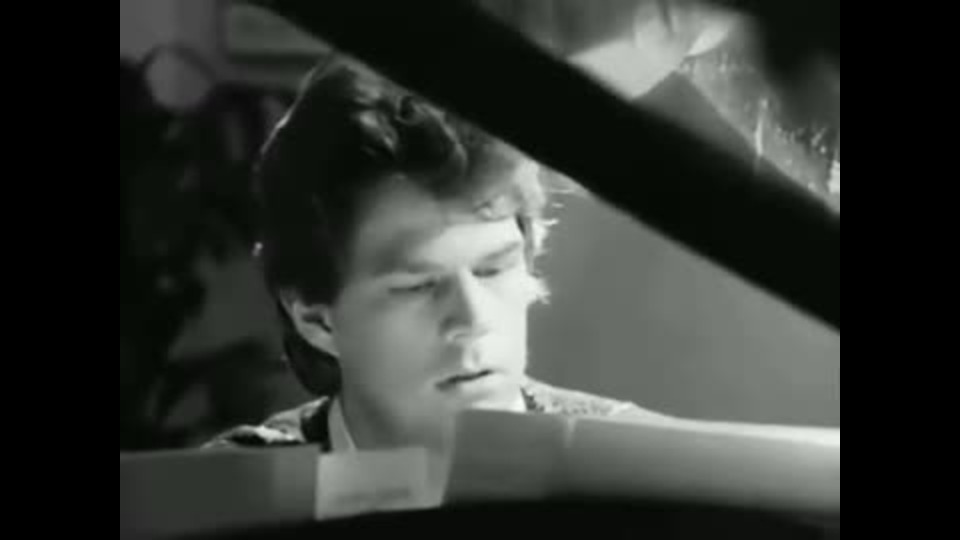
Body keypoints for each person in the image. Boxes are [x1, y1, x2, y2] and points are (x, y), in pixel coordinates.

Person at [206, 57, 669, 455]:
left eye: (494, 268)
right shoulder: (231, 502)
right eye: (419, 286)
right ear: (316, 319)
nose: (473, 319)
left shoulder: (643, 470)